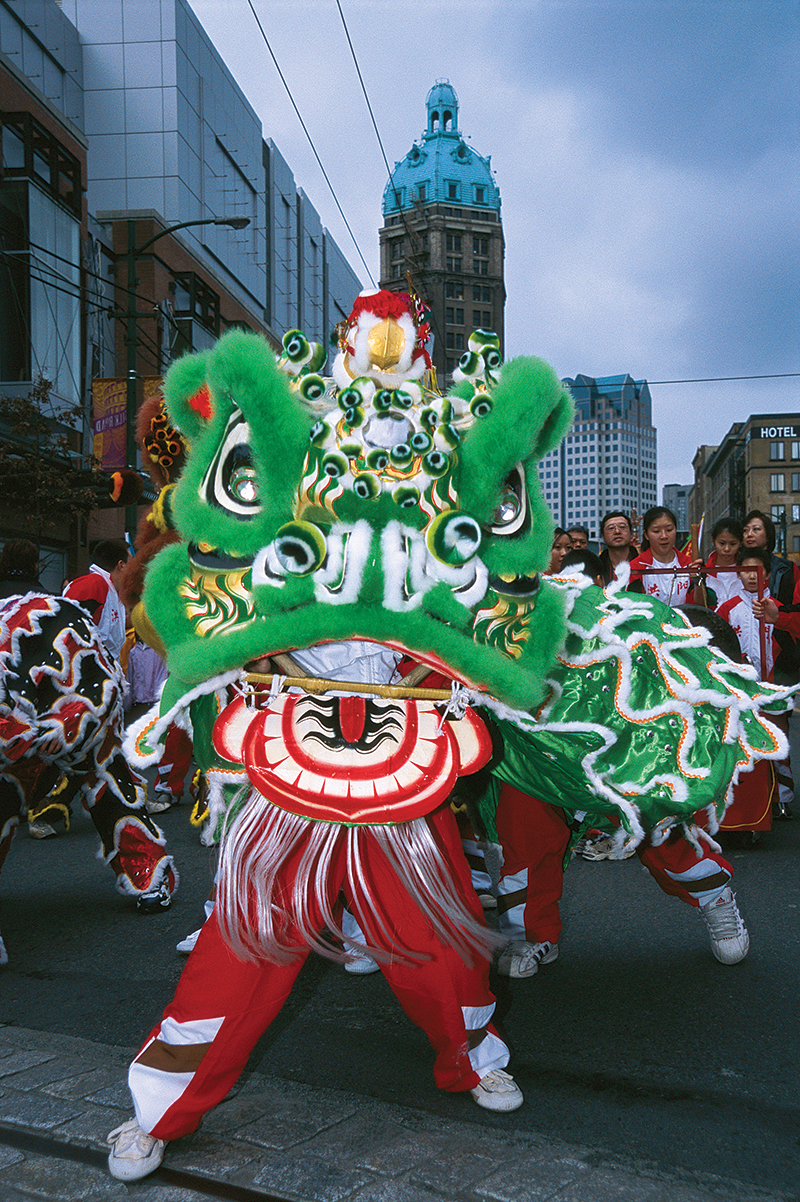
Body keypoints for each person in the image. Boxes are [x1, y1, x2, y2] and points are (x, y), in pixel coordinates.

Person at [742, 510, 800, 818]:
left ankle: (782, 794)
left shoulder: (788, 570)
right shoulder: (734, 581)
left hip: (779, 659)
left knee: (778, 731)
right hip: (744, 671)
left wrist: (780, 616)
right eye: (746, 529)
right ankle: (751, 799)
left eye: (757, 528)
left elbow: (794, 610)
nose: (750, 534)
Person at [64, 539, 130, 661]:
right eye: (131, 564)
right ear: (121, 565)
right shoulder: (90, 586)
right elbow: (70, 638)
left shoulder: (114, 592)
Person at [627, 506, 703, 607]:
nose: (664, 536)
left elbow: (701, 606)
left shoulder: (689, 565)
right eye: (656, 531)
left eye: (669, 530)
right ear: (646, 535)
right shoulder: (635, 568)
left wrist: (698, 581)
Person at [705, 518, 744, 606]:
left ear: (741, 542)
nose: (727, 549)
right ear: (713, 540)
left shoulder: (747, 571)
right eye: (722, 543)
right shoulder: (705, 572)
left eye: (733, 544)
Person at [598, 511, 638, 584]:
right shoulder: (596, 569)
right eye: (611, 528)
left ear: (631, 534)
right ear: (603, 537)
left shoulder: (643, 565)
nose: (617, 531)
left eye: (622, 527)